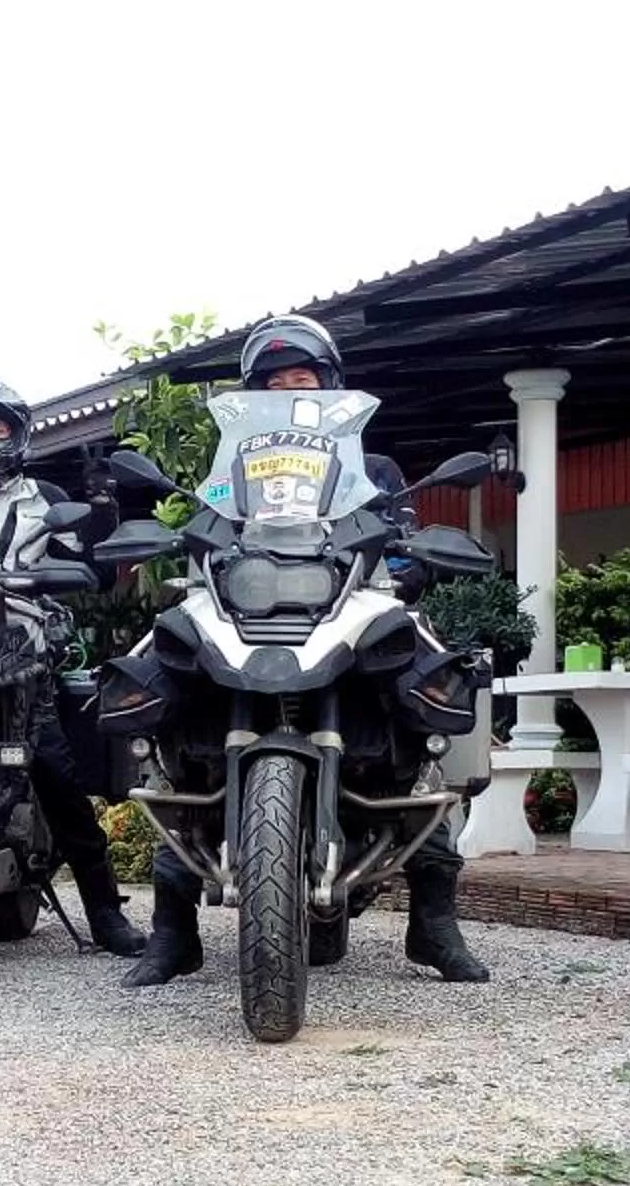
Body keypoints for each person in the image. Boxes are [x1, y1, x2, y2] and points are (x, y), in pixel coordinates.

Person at [124, 312, 491, 988]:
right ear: (252, 394)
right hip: (248, 609)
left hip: (347, 605)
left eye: (303, 377)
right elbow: (203, 532)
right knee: (161, 676)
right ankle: (172, 931)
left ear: (329, 385)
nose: (291, 387)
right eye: (274, 380)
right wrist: (181, 542)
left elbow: (400, 534)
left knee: (432, 684)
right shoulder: (227, 471)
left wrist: (412, 560)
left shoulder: (369, 467)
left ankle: (435, 925)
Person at [0, 378, 146, 957]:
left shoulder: (41, 495)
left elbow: (94, 570)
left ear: (18, 435)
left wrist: (102, 511)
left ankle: (105, 912)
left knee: (52, 770)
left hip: (13, 647)